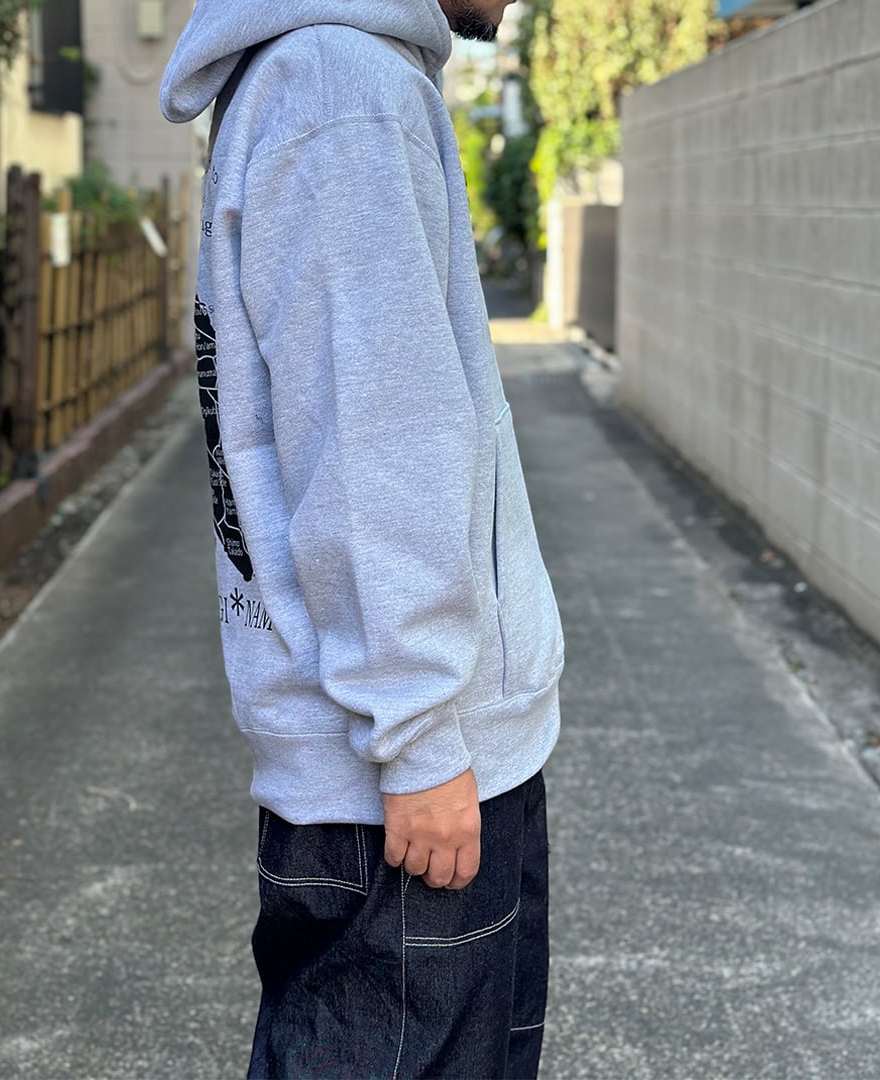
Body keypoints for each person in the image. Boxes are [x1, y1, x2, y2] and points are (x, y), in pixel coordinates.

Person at [161, 1, 564, 1075]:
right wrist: (418, 736)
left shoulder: (330, 78)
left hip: (408, 755)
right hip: (405, 778)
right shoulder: (342, 90)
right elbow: (373, 437)